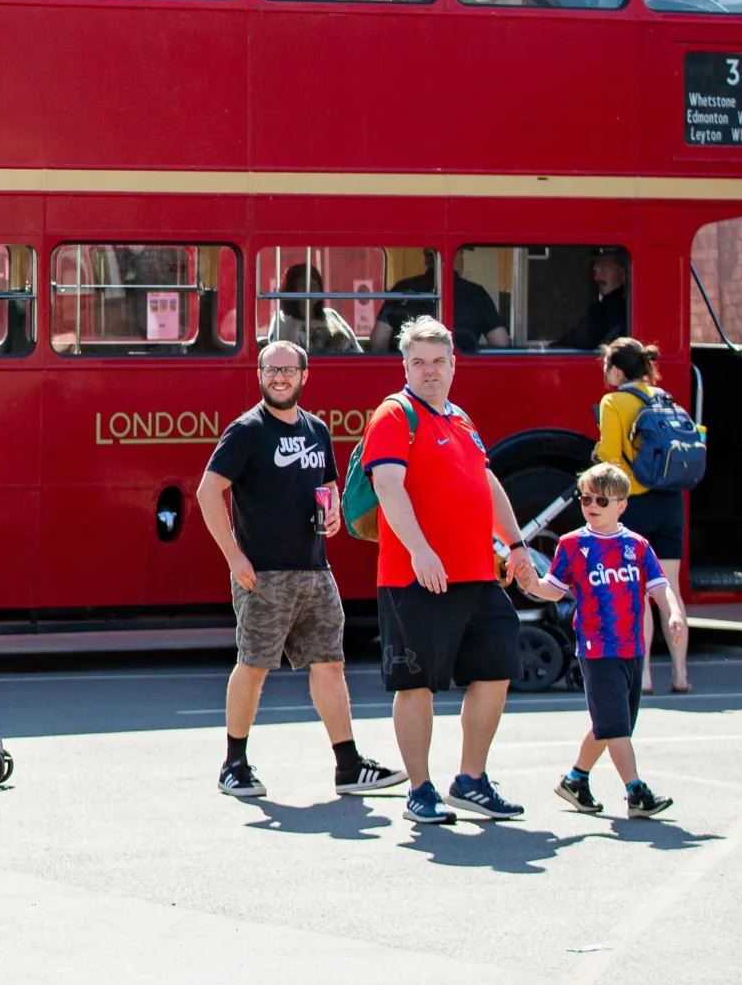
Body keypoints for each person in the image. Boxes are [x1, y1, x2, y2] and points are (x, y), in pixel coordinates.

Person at [196, 339, 403, 800]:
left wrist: (331, 514)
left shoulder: (316, 429)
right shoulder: (246, 430)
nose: (280, 377)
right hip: (264, 574)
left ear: (305, 376)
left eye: (288, 370)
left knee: (330, 665)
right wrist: (235, 557)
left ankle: (349, 766)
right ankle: (234, 765)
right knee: (253, 667)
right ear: (260, 376)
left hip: (316, 571)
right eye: (271, 370)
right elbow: (209, 493)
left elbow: (326, 484)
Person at [360, 315, 537, 825]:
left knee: (497, 668)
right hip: (416, 576)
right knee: (415, 684)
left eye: (438, 361)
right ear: (405, 366)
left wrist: (518, 544)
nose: (429, 371)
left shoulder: (460, 418)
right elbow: (388, 487)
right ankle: (420, 789)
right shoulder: (394, 415)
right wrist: (419, 549)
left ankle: (471, 780)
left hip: (478, 573)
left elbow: (487, 484)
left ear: (454, 365)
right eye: (418, 362)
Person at [516, 463, 685, 817]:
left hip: (632, 648)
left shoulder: (636, 546)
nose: (592, 505)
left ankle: (576, 779)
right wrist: (531, 584)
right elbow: (553, 589)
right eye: (586, 498)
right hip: (597, 649)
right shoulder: (572, 544)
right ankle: (636, 793)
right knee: (617, 725)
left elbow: (659, 587)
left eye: (602, 501)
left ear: (621, 505)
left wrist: (673, 612)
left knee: (611, 724)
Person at [591, 336, 691, 691]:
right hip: (670, 502)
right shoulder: (664, 398)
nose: (604, 373)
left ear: (617, 370)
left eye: (606, 366)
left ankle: (645, 676)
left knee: (637, 591)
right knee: (669, 589)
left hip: (635, 503)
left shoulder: (613, 401)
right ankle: (680, 675)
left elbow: (612, 460)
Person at [371, 269, 506, 352]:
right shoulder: (476, 293)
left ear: (426, 258)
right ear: (458, 260)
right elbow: (500, 342)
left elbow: (378, 342)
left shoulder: (402, 290)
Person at [263, 263, 359, 356]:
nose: (311, 289)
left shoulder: (331, 315)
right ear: (291, 290)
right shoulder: (281, 321)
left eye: (315, 284)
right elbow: (280, 357)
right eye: (304, 285)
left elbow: (356, 349)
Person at [555, 250, 630, 352]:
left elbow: (585, 338)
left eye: (603, 271)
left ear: (623, 274)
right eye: (595, 272)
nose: (596, 278)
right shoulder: (601, 307)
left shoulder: (617, 308)